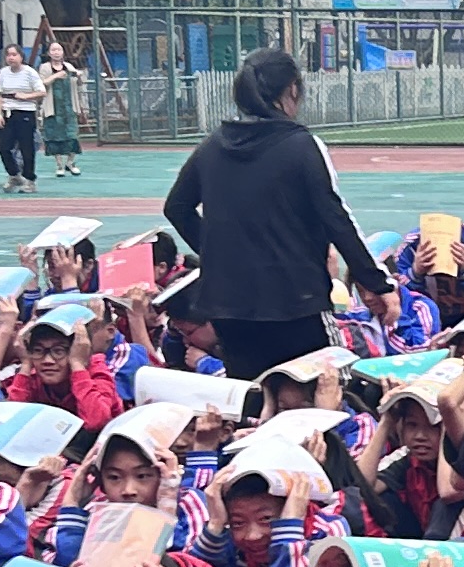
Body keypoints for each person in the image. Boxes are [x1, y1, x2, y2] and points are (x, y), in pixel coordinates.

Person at [165, 51, 396, 379]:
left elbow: (177, 207)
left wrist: (221, 258)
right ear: (293, 90)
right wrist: (377, 283)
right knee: (325, 391)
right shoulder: (301, 146)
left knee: (254, 395)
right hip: (295, 301)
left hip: (231, 307)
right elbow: (336, 219)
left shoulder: (212, 146)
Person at [0, 40, 47, 189]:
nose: (11, 58)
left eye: (14, 54)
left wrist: (25, 96)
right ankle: (14, 175)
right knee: (3, 147)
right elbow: (0, 95)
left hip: (25, 113)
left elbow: (42, 92)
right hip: (8, 113)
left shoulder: (30, 72)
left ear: (21, 56)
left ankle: (30, 179)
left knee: (26, 148)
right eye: (8, 55)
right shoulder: (3, 72)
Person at [39, 35, 85, 178]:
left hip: (69, 107)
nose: (56, 52)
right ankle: (59, 165)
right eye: (53, 50)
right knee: (54, 136)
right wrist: (56, 76)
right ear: (49, 53)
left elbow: (79, 83)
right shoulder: (45, 67)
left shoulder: (69, 66)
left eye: (59, 49)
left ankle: (70, 162)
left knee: (72, 135)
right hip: (53, 108)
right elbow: (42, 83)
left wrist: (78, 76)